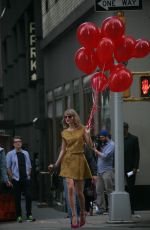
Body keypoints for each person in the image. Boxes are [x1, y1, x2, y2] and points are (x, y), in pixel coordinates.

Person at [48, 109, 93, 228]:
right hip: (68, 160)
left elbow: (90, 145)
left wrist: (87, 134)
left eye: (69, 116)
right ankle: (73, 215)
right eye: (65, 117)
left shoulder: (83, 129)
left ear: (74, 117)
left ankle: (82, 212)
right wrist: (56, 164)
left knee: (79, 192)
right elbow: (63, 150)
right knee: (70, 187)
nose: (67, 118)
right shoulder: (64, 132)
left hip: (79, 159)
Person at [6, 136, 35, 223]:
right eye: (16, 142)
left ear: (21, 143)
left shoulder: (25, 153)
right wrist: (12, 177)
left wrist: (28, 175)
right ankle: (19, 216)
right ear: (13, 144)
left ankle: (29, 215)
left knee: (29, 196)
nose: (18, 143)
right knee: (17, 198)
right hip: (16, 179)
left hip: (25, 178)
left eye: (19, 142)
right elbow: (8, 167)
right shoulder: (10, 154)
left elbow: (29, 166)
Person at [93, 129, 115, 215]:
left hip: (107, 171)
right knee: (99, 190)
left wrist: (96, 151)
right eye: (100, 138)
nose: (101, 139)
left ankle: (111, 208)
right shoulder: (102, 144)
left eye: (102, 137)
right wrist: (96, 148)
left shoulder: (111, 145)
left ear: (106, 137)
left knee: (109, 189)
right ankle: (101, 208)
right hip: (99, 171)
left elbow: (105, 156)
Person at [124, 122, 140, 215]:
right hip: (121, 168)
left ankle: (132, 208)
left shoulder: (134, 139)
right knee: (121, 187)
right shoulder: (119, 139)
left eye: (123, 128)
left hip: (130, 168)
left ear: (126, 128)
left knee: (131, 188)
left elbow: (137, 154)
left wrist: (135, 167)